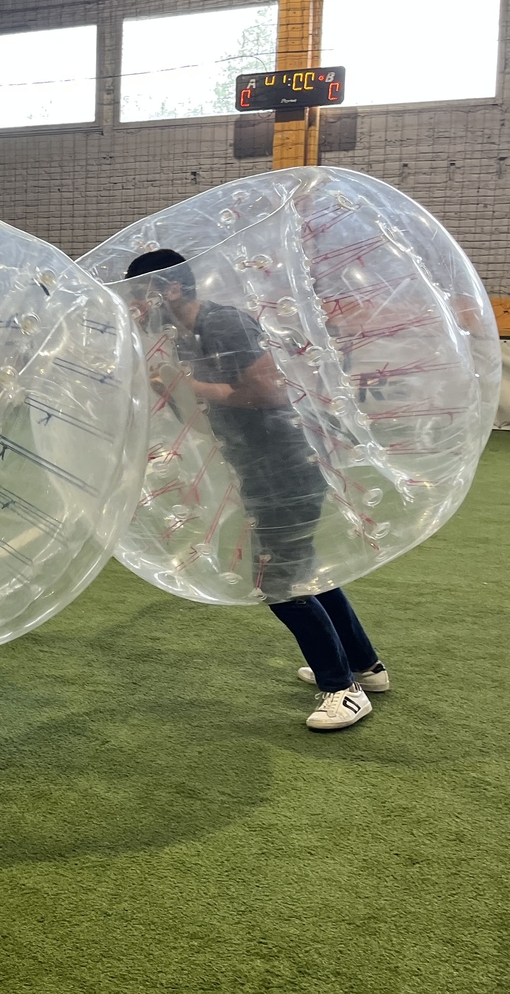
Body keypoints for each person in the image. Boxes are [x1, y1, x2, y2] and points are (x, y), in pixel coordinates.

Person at [125, 249, 387, 731]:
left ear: (172, 288)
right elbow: (215, 413)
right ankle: (365, 668)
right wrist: (176, 393)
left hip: (285, 467)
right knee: (301, 569)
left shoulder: (223, 324)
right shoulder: (185, 337)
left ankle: (341, 690)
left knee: (278, 582)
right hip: (259, 467)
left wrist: (189, 386)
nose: (136, 308)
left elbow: (267, 390)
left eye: (141, 296)